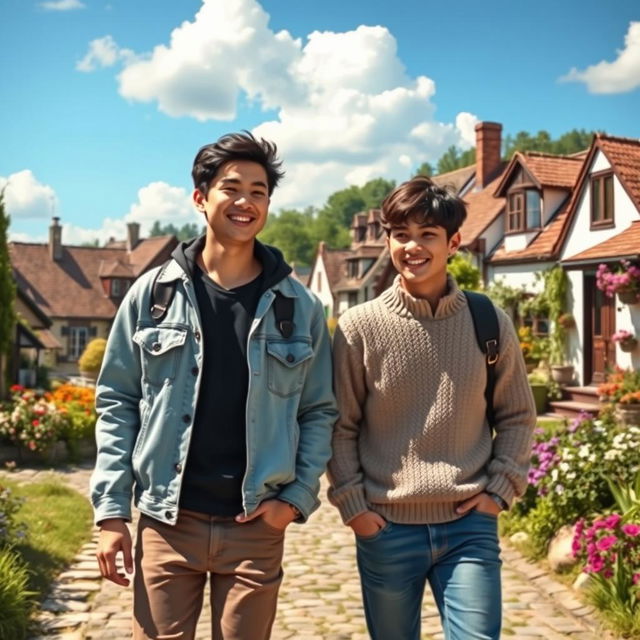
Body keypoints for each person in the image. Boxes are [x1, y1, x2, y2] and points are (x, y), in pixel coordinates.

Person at [90, 131, 337, 640]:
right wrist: (112, 513)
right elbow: (117, 401)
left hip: (255, 526)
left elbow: (319, 411)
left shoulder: (300, 307)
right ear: (201, 198)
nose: (245, 201)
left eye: (259, 191)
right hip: (166, 521)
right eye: (232, 188)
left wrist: (293, 500)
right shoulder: (151, 295)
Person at [327, 175, 536, 640]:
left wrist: (499, 490)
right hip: (387, 528)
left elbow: (518, 416)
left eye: (427, 235)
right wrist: (355, 508)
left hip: (470, 529)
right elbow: (339, 426)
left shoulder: (488, 321)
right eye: (401, 235)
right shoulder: (359, 327)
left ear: (453, 242)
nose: (412, 247)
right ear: (387, 240)